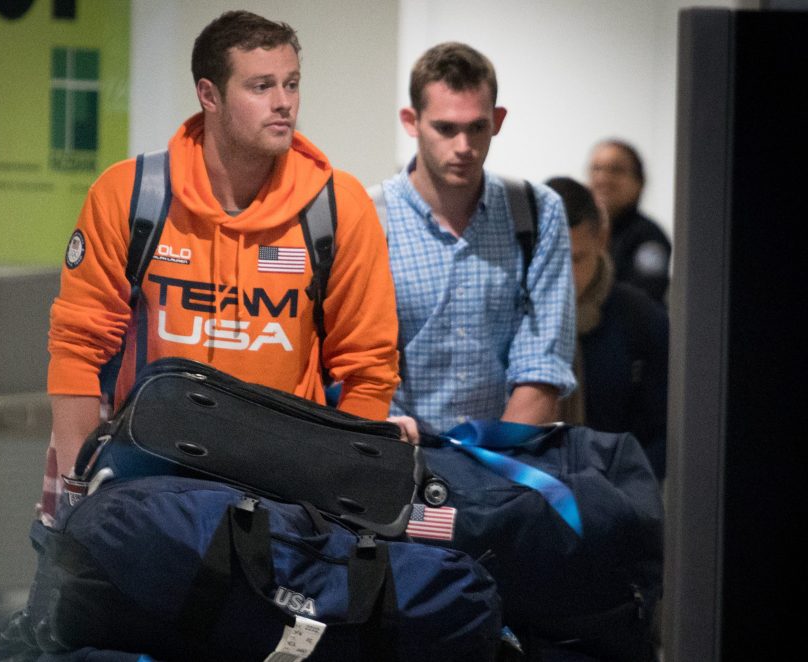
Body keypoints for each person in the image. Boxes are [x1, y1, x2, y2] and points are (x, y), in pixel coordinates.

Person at [42, 10, 400, 517]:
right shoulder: (129, 195)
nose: (283, 104)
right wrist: (79, 485)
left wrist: (340, 495)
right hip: (144, 484)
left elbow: (369, 367)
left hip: (286, 496)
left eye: (291, 84)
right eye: (261, 86)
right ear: (209, 95)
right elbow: (79, 349)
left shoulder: (337, 207)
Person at [378, 42, 576, 442]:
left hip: (504, 465)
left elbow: (542, 365)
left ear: (497, 120)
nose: (464, 147)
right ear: (411, 121)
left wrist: (493, 466)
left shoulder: (537, 212)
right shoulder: (367, 216)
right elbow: (352, 366)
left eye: (477, 127)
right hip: (393, 461)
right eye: (446, 128)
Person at [546, 176, 668, 480]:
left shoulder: (640, 318)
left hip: (617, 500)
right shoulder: (508, 314)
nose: (564, 273)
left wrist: (619, 489)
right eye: (550, 257)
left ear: (601, 240)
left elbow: (669, 432)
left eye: (576, 258)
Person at [587, 139, 671, 305]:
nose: (603, 178)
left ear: (638, 182)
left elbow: (645, 298)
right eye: (597, 169)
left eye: (616, 170)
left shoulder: (649, 237)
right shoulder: (580, 232)